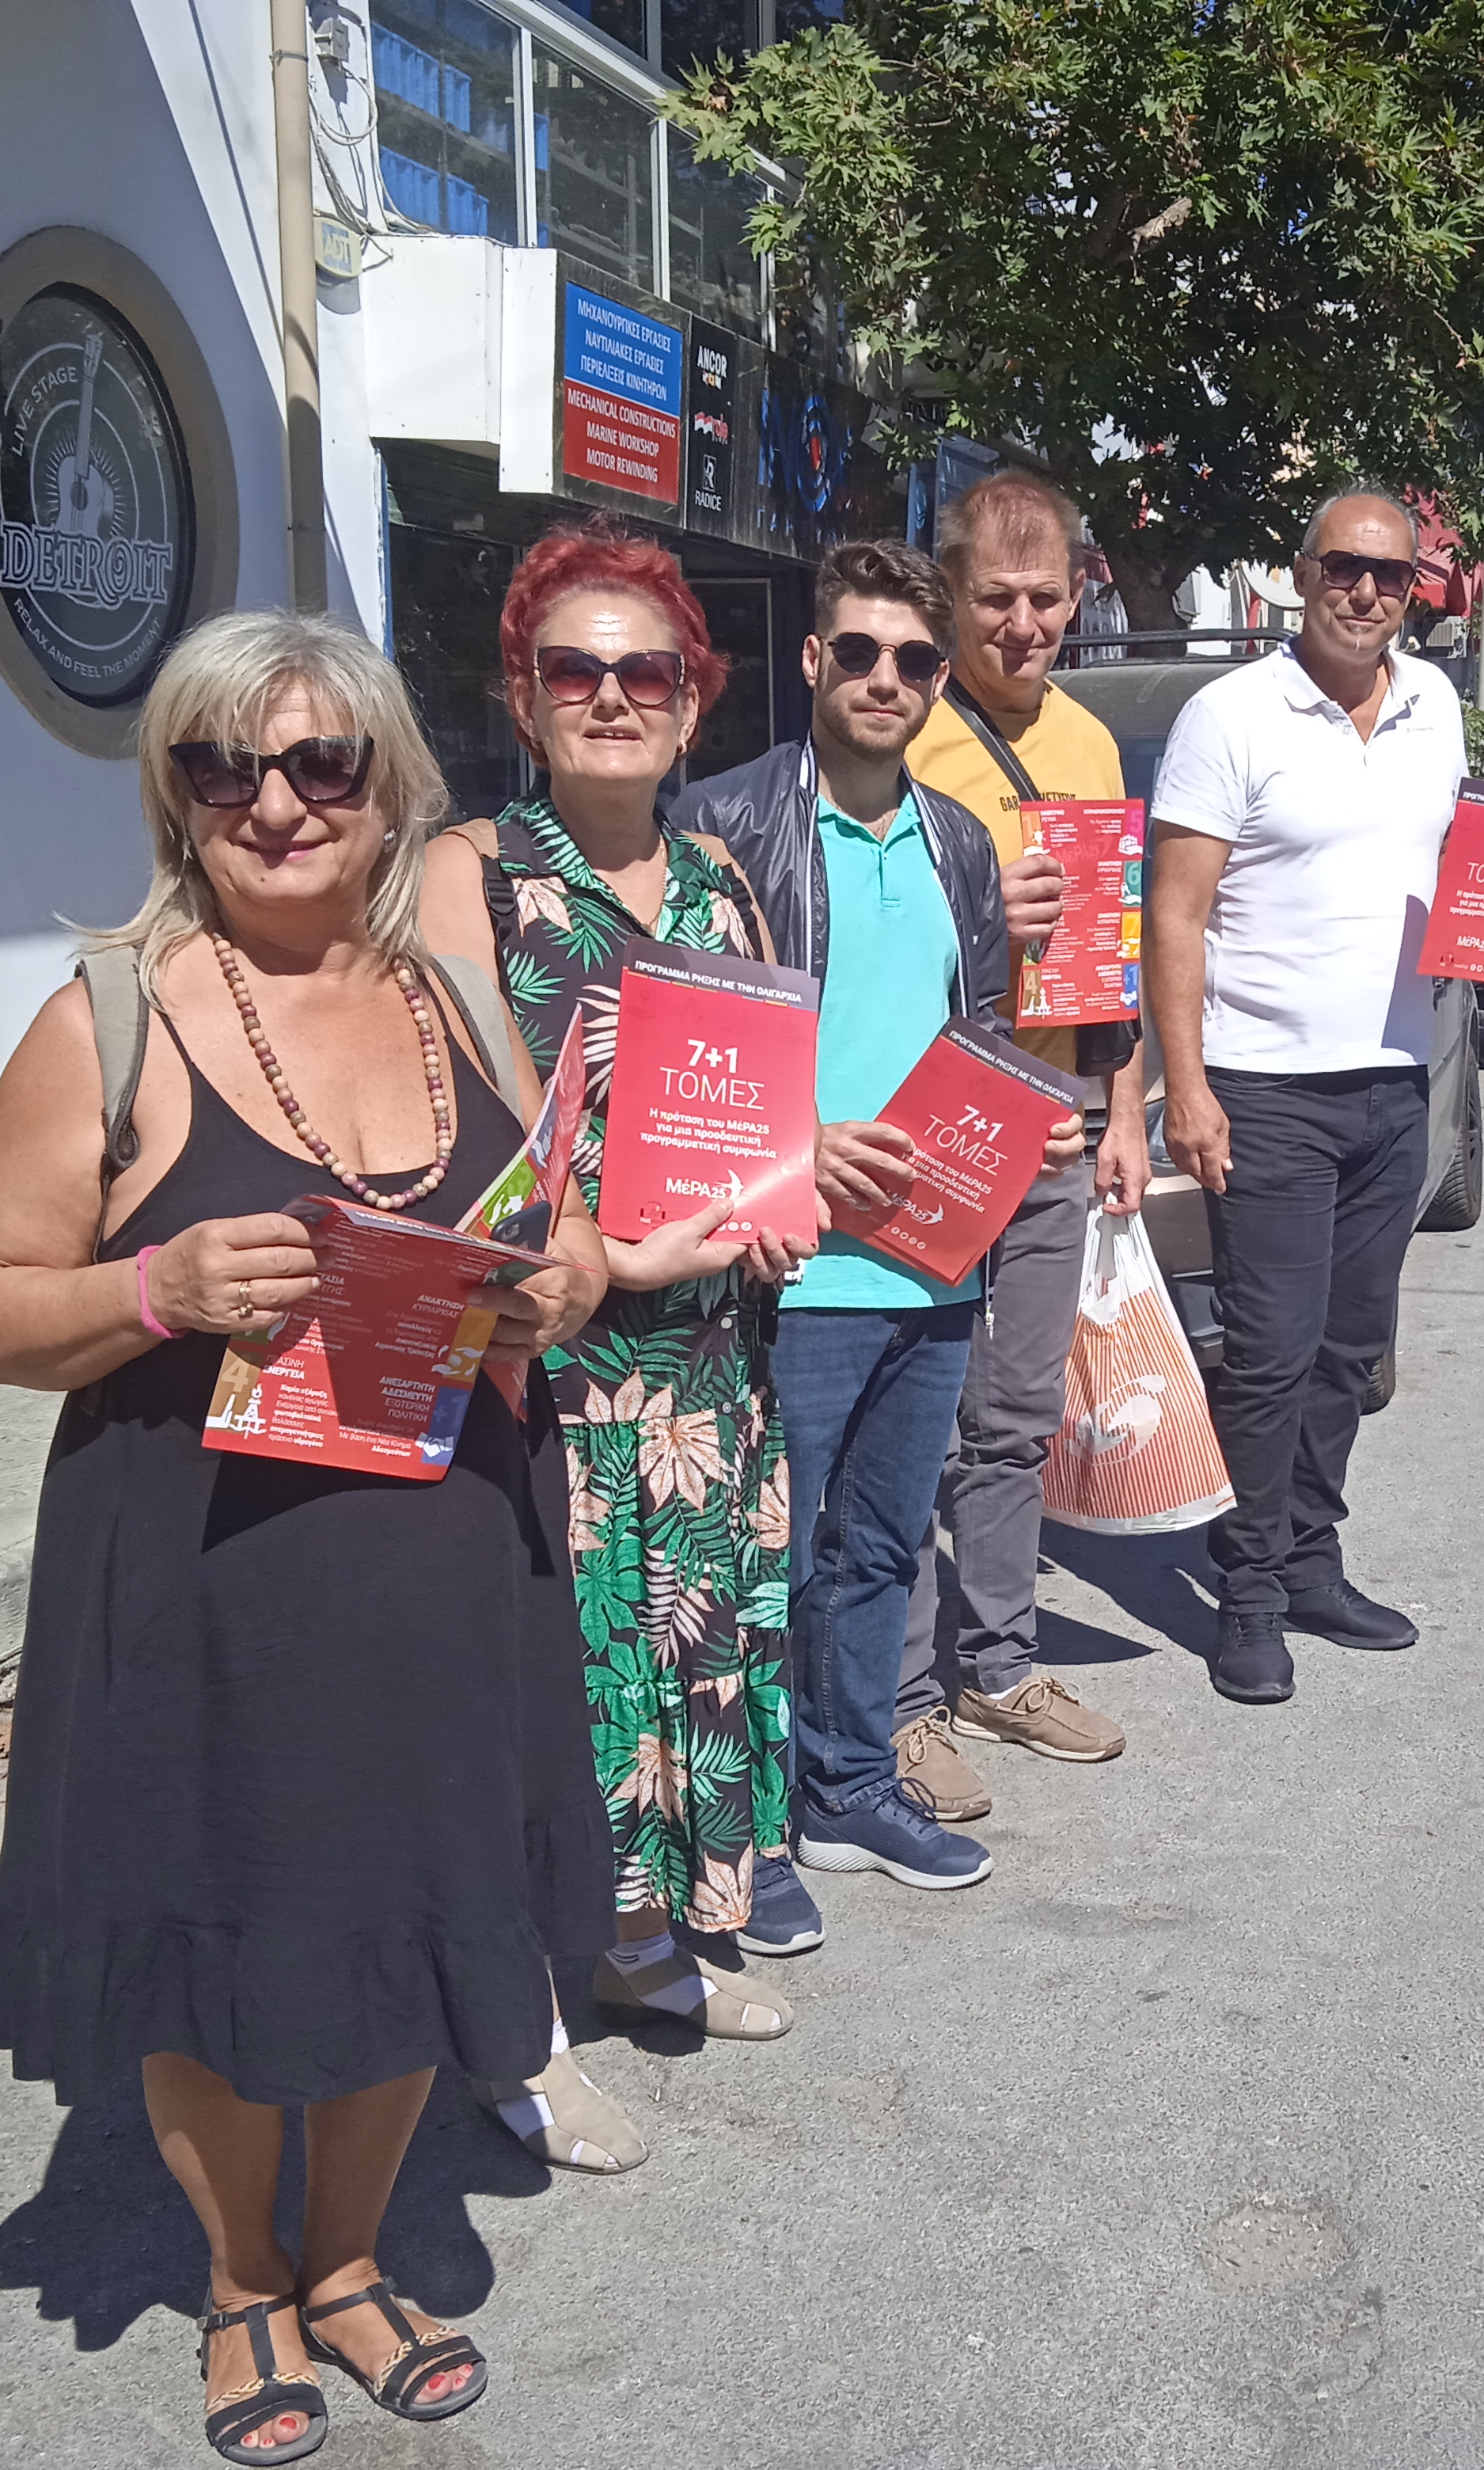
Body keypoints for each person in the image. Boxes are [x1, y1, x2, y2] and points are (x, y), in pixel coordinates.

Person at [0, 610, 613, 2463]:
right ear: (176, 795)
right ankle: (244, 2282)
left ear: (390, 790)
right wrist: (149, 1288)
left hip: (445, 1559)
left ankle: (348, 2257)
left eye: (323, 762)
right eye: (222, 765)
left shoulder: (460, 1002)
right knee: (218, 1925)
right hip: (206, 1584)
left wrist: (564, 1280)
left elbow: (556, 1229)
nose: (277, 802)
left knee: (409, 1906)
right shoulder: (109, 1021)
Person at [422, 522, 821, 2162]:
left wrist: (794, 1194)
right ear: (522, 697)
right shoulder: (467, 876)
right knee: (556, 1693)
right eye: (571, 669)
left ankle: (641, 1944)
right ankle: (517, 2031)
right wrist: (608, 1249)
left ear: (691, 702)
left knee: (683, 1663)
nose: (610, 695)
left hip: (707, 1366)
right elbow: (453, 1131)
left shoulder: (723, 879)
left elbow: (760, 1111)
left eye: (644, 670)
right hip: (554, 1362)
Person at [674, 539, 1075, 1920]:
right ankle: (756, 1837)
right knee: (768, 1561)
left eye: (913, 658)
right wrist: (798, 1146)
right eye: (858, 651)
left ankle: (849, 1790)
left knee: (882, 1550)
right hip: (789, 1270)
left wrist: (1026, 1122)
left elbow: (978, 1029)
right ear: (812, 660)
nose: (886, 678)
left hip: (933, 1267)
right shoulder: (724, 822)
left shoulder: (958, 840)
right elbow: (685, 1059)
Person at [1145, 489, 1484, 1704]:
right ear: (1302, 573)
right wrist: (1188, 1089)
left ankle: (1311, 1562)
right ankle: (1249, 1595)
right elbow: (1173, 913)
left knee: (1348, 1350)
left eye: (1393, 575)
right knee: (1269, 1355)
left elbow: (1453, 866)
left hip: (1396, 1077)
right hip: (1266, 1088)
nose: (1368, 591)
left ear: (1416, 593)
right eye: (1345, 567)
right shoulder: (1230, 716)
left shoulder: (1435, 704)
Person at [886, 470, 1148, 1826]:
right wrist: (990, 919)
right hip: (929, 1134)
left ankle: (998, 1665)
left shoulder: (1092, 744)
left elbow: (1114, 960)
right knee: (910, 1428)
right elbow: (862, 951)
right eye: (997, 598)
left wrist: (1123, 1112)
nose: (1025, 624)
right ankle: (900, 1701)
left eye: (1046, 598)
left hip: (1051, 1128)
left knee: (1014, 1422)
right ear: (951, 595)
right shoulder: (903, 731)